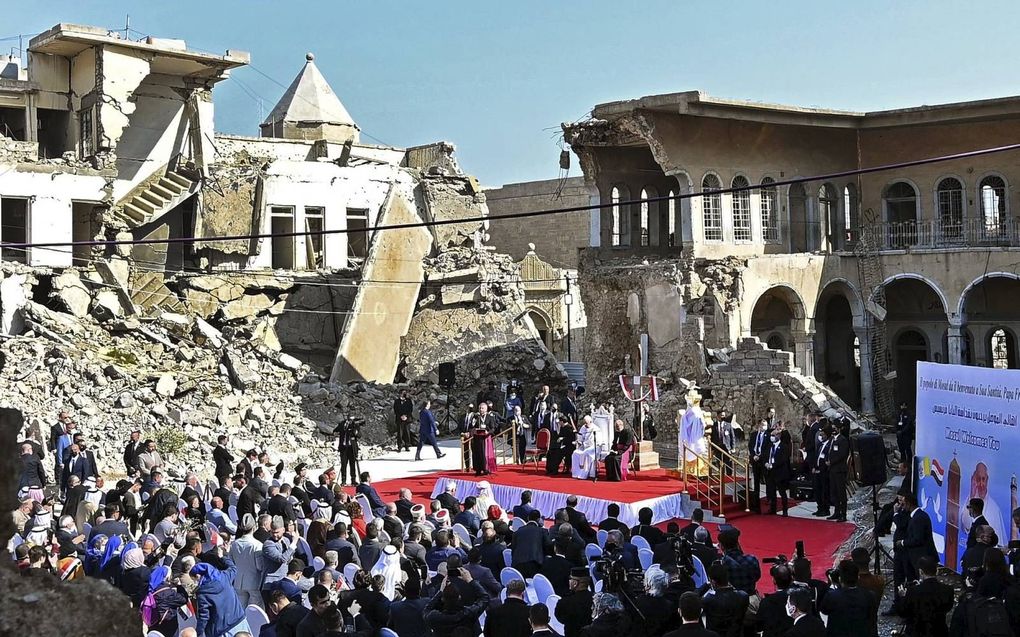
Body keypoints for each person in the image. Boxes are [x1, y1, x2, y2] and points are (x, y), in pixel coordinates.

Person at [192, 557, 252, 637]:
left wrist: (198, 633)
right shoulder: (225, 576)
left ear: (197, 576)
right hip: (240, 622)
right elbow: (233, 568)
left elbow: (203, 618)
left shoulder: (202, 594)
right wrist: (223, 556)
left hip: (222, 631)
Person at [424, 569, 490, 637]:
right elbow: (485, 598)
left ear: (442, 599)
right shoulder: (469, 614)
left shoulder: (435, 617)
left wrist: (440, 591)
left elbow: (426, 610)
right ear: (459, 597)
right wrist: (470, 580)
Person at [818, 561, 876, 637]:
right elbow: (872, 619)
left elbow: (824, 611)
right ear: (857, 577)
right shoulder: (869, 595)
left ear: (840, 578)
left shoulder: (832, 596)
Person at [900, 556, 953, 637]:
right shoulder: (948, 590)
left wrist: (903, 597)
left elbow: (903, 612)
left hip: (917, 632)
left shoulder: (913, 591)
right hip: (939, 632)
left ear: (921, 572)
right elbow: (948, 607)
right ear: (937, 571)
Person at [896, 491, 937, 582]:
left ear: (908, 503)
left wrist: (903, 542)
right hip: (915, 556)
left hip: (922, 557)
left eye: (903, 503)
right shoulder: (915, 516)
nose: (901, 506)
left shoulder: (919, 518)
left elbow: (918, 539)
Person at [701, 562, 748, 637]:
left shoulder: (709, 600)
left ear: (713, 582)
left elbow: (691, 598)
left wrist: (706, 584)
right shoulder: (743, 596)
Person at [145, 565, 191, 637]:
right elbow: (184, 599)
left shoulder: (148, 589)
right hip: (167, 624)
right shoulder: (167, 593)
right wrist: (179, 586)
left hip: (152, 621)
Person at [717, 529, 760, 596]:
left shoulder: (721, 564)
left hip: (731, 599)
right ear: (737, 544)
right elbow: (757, 577)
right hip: (750, 598)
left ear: (722, 546)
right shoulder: (752, 559)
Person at [512, 510, 551, 578]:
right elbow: (549, 547)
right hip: (535, 565)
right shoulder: (542, 531)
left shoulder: (518, 531)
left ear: (528, 518)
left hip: (517, 564)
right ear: (539, 520)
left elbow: (513, 548)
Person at [556, 568, 593, 637]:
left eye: (571, 579)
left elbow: (560, 618)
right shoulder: (596, 599)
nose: (569, 581)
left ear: (575, 583)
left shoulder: (565, 602)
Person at [826, 423, 850, 522]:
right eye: (832, 429)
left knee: (841, 493)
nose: (834, 430)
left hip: (839, 469)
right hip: (832, 469)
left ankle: (843, 514)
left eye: (835, 428)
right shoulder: (832, 439)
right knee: (834, 492)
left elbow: (842, 454)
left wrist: (832, 461)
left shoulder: (843, 440)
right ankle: (836, 512)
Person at [765, 428, 792, 516]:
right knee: (772, 492)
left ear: (778, 436)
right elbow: (765, 456)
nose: (772, 437)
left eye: (774, 435)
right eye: (771, 435)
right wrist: (766, 463)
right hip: (770, 472)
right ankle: (773, 509)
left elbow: (783, 460)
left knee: (782, 492)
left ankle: (785, 510)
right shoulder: (769, 446)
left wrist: (772, 465)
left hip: (780, 472)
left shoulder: (784, 446)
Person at [747, 419, 770, 514]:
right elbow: (751, 446)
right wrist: (754, 456)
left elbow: (768, 448)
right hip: (755, 461)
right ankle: (756, 504)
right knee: (756, 482)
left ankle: (769, 499)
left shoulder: (768, 436)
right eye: (763, 425)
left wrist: (760, 456)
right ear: (759, 426)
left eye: (766, 425)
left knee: (768, 480)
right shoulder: (754, 435)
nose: (764, 427)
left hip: (763, 460)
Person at [809, 424, 832, 517]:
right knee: (817, 490)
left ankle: (826, 509)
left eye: (822, 435)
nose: (821, 436)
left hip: (824, 471)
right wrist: (814, 467)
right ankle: (820, 507)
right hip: (817, 470)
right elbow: (816, 456)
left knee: (824, 491)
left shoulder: (829, 445)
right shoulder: (819, 444)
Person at [470, 411, 497, 476]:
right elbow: (472, 426)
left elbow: (493, 428)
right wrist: (474, 420)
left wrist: (488, 432)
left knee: (485, 454)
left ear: (485, 409)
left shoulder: (490, 417)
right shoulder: (477, 417)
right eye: (480, 408)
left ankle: (486, 469)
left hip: (486, 438)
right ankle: (478, 469)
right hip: (477, 438)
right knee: (477, 454)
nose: (481, 410)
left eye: (482, 408)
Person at [336, 418, 360, 487]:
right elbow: (336, 430)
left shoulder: (355, 425)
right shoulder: (342, 424)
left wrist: (354, 430)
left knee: (352, 464)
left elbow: (359, 435)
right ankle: (343, 480)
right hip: (343, 448)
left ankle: (353, 480)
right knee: (343, 465)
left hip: (351, 448)